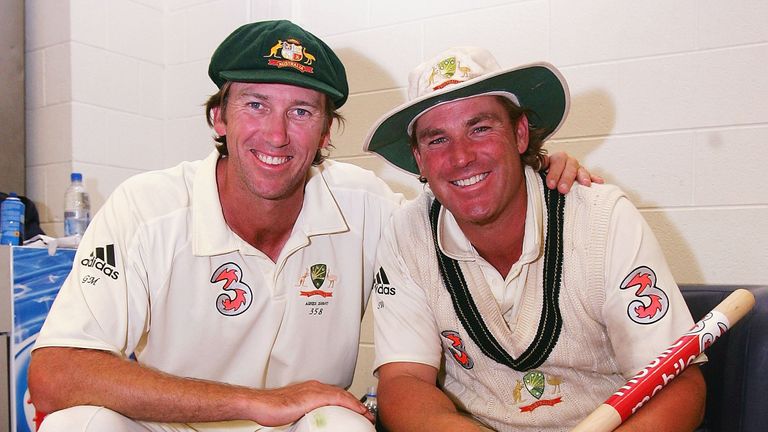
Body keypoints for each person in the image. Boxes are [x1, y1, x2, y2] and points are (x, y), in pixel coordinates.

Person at [27, 23, 590, 432]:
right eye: (255, 104)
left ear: (326, 133)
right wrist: (252, 401)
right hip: (172, 425)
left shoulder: (367, 205)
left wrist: (533, 174)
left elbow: (462, 206)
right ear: (218, 117)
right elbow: (54, 373)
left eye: (301, 112)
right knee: (77, 424)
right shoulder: (146, 209)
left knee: (343, 428)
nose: (276, 135)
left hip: (303, 425)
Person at [365, 47, 706, 432]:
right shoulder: (407, 233)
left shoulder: (602, 218)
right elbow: (404, 381)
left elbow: (675, 383)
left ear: (520, 133)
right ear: (419, 159)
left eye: (480, 128)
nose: (461, 157)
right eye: (437, 139)